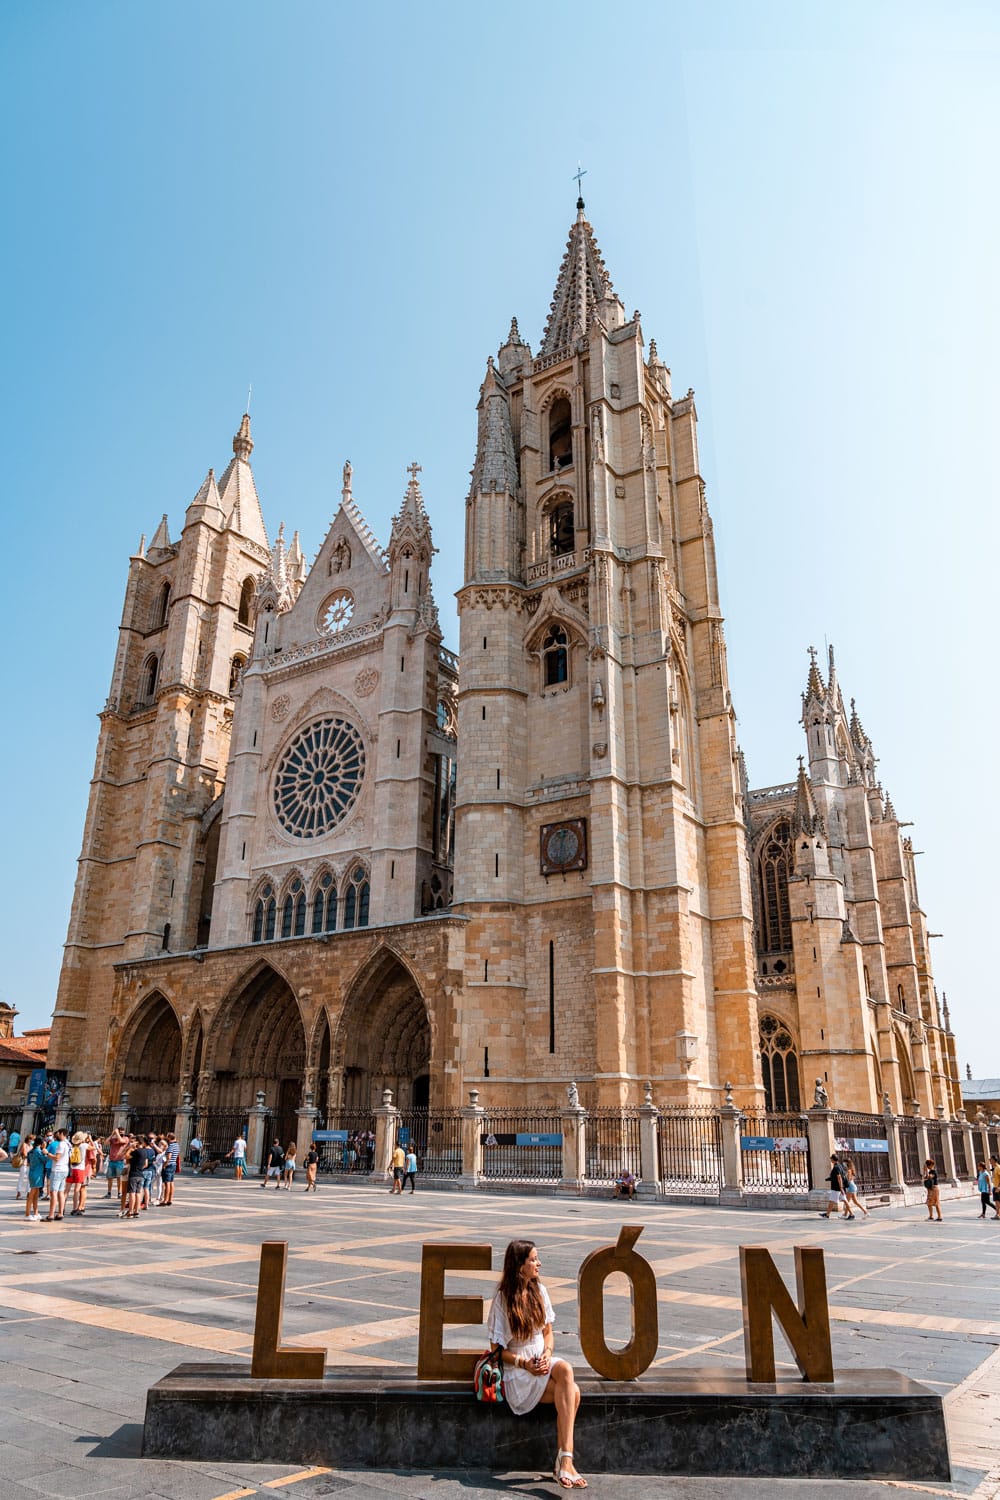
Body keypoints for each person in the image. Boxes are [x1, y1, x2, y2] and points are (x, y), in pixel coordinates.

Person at [487, 1240, 586, 1488]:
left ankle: (565, 1460)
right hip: (518, 1371)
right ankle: (565, 1462)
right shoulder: (502, 1298)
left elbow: (548, 1333)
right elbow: (496, 1351)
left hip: (542, 1360)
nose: (538, 1263)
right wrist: (525, 1364)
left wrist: (547, 1352)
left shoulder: (540, 1290)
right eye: (533, 1259)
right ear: (519, 1265)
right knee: (572, 1393)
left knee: (565, 1369)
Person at [45, 1129, 70, 1221]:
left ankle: (51, 1214)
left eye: (58, 1133)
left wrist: (47, 1153)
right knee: (60, 1192)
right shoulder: (68, 1144)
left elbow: (57, 1158)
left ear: (62, 1134)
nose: (57, 1135)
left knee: (53, 1192)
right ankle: (60, 1213)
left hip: (58, 1170)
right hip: (64, 1169)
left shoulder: (61, 1144)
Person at [819, 1154, 852, 1219]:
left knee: (832, 1201)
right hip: (839, 1188)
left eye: (831, 1159)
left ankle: (827, 1214)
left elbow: (839, 1177)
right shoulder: (840, 1166)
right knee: (844, 1201)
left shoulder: (836, 1167)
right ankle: (851, 1214)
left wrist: (841, 1187)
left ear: (833, 1159)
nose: (830, 1160)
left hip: (837, 1188)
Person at [24, 1136, 46, 1222]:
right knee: (32, 1194)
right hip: (37, 1173)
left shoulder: (31, 1151)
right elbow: (45, 1159)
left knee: (36, 1194)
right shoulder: (38, 1151)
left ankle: (36, 1212)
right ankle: (27, 1214)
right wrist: (45, 1151)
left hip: (34, 1173)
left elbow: (29, 1162)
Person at [105, 1127, 129, 1201]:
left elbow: (121, 1141)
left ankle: (119, 1193)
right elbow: (106, 1142)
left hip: (119, 1161)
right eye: (120, 1131)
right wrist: (112, 1134)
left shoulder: (125, 1138)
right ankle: (109, 1192)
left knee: (119, 1178)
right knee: (110, 1178)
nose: (121, 1133)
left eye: (122, 1132)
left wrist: (117, 1133)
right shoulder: (113, 1139)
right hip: (112, 1161)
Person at [159, 1133, 179, 1205]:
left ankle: (165, 1200)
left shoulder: (170, 1146)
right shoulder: (177, 1145)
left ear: (170, 1138)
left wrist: (165, 1165)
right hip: (173, 1165)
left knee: (167, 1183)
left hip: (169, 1165)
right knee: (171, 1182)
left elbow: (169, 1156)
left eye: (167, 1138)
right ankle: (170, 1199)